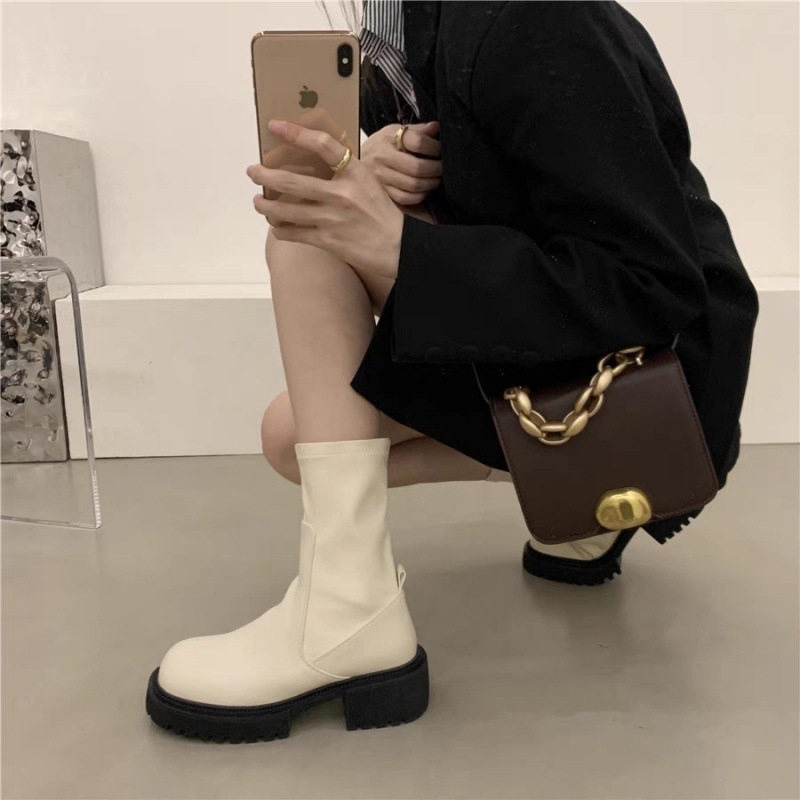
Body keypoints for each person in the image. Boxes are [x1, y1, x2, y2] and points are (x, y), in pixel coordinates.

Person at [145, 1, 758, 741]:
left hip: (664, 395)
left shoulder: (535, 18)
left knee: (309, 238)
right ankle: (576, 500)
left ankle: (348, 611)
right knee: (290, 438)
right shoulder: (401, 37)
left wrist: (396, 245)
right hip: (566, 347)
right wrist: (384, 161)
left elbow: (648, 285)